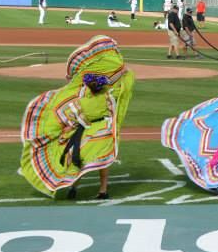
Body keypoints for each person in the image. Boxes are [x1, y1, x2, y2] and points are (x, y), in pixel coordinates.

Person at [20, 36, 135, 200]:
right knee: (102, 160)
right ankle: (102, 190)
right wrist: (122, 74)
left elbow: (73, 111)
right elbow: (118, 82)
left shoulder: (83, 97)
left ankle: (74, 187)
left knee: (79, 159)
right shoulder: (107, 98)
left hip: (82, 133)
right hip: (102, 132)